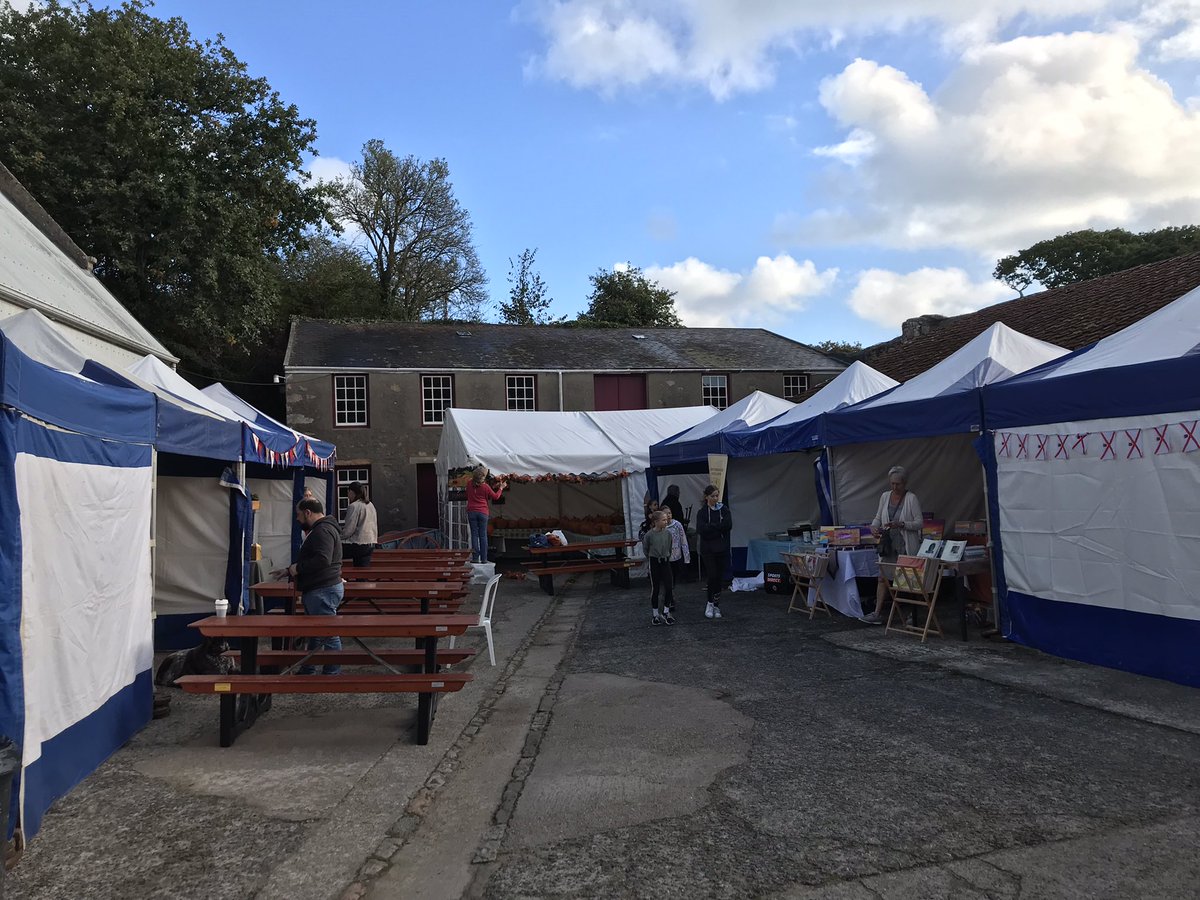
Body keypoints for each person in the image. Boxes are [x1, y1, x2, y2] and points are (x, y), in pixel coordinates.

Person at [275, 498, 344, 674]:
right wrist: (289, 571)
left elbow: (323, 559)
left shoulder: (322, 530)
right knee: (316, 632)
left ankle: (332, 673)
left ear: (307, 512)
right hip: (322, 587)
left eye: (298, 515)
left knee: (328, 634)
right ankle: (309, 667)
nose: (297, 519)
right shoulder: (325, 528)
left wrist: (297, 568)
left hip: (322, 588)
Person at [864, 465, 923, 624]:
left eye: (898, 484)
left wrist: (901, 524)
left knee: (909, 579)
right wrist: (873, 527)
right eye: (892, 483)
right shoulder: (885, 497)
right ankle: (877, 613)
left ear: (904, 483)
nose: (895, 487)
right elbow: (878, 517)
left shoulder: (911, 498)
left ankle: (913, 613)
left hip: (905, 545)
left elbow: (919, 523)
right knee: (882, 578)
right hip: (889, 544)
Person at [695, 484, 732, 619]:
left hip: (721, 548)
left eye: (717, 495)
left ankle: (716, 605)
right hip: (708, 549)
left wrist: (712, 527)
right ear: (706, 497)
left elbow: (728, 525)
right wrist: (717, 528)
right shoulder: (703, 512)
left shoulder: (724, 510)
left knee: (719, 578)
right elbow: (702, 529)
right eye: (713, 496)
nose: (715, 498)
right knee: (712, 575)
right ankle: (709, 602)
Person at [466, 466, 507, 564]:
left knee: (474, 535)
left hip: (471, 511)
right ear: (483, 476)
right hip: (483, 512)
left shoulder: (469, 484)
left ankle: (475, 558)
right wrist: (501, 488)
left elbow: (469, 494)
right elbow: (496, 497)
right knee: (483, 536)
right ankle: (484, 559)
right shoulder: (485, 487)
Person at [642, 510, 675, 625]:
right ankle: (655, 614)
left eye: (667, 519)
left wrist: (666, 556)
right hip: (655, 561)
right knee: (655, 588)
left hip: (665, 561)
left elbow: (670, 547)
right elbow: (645, 549)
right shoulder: (649, 535)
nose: (666, 522)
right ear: (656, 522)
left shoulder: (668, 534)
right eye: (664, 520)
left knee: (669, 586)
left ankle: (666, 611)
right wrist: (652, 558)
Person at [340, 481, 378, 567]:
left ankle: (334, 577)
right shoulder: (370, 505)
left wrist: (337, 537)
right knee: (362, 571)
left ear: (351, 492)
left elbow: (348, 531)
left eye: (348, 492)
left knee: (332, 551)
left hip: (357, 544)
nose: (348, 495)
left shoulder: (354, 506)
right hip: (370, 544)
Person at [662, 505, 690, 614]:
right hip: (665, 558)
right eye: (665, 513)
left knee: (674, 579)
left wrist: (686, 556)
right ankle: (670, 600)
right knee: (667, 580)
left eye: (669, 513)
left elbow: (683, 540)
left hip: (676, 556)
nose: (668, 515)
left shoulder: (677, 525)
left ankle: (671, 594)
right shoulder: (661, 526)